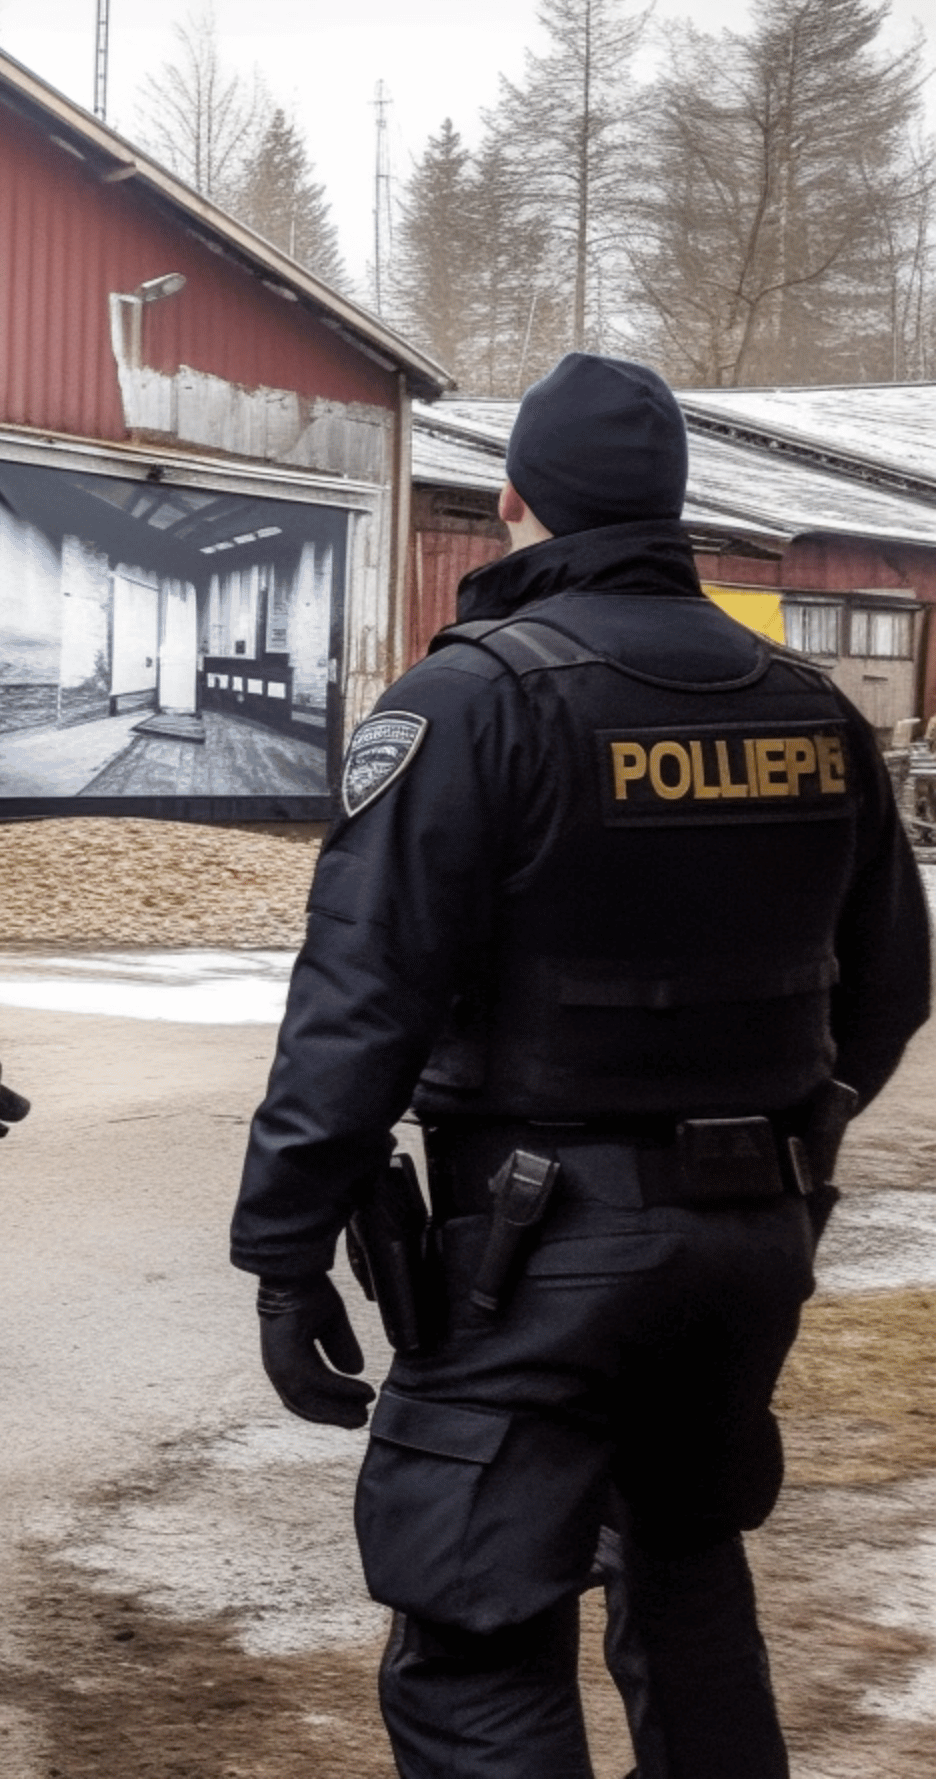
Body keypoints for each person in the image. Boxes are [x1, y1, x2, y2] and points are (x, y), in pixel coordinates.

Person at [230, 352, 930, 1778]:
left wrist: (287, 1253)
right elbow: (895, 987)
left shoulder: (470, 701)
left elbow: (359, 1004)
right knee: (685, 1583)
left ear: (515, 501)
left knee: (475, 1633)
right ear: (674, 509)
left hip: (535, 1253)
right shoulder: (813, 709)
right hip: (751, 1249)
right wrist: (793, 1151)